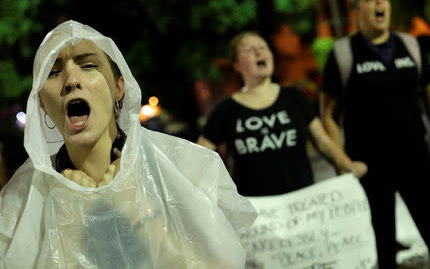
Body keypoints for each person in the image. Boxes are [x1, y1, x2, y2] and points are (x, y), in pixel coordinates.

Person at [0, 20, 257, 268]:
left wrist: (137, 210)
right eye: (54, 72)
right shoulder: (19, 203)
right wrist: (70, 221)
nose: (70, 80)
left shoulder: (188, 167)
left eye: (88, 65)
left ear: (119, 87)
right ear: (42, 103)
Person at [320, 0, 430, 269]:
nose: (379, 3)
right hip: (369, 169)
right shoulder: (342, 54)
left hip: (416, 160)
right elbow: (328, 112)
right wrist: (342, 164)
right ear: (355, 11)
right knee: (382, 249)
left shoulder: (410, 46)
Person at [197, 31, 367, 197]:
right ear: (237, 65)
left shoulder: (294, 96)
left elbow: (322, 141)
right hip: (262, 213)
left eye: (263, 47)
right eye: (249, 50)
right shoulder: (226, 109)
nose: (258, 52)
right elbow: (201, 156)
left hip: (304, 203)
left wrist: (348, 165)